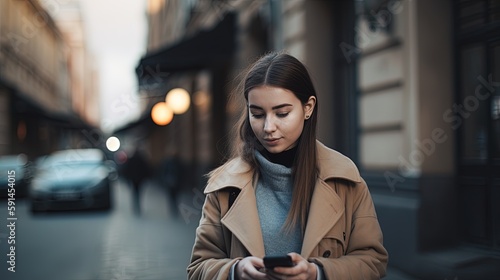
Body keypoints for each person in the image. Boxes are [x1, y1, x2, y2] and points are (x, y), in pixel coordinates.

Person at [187, 52, 388, 279]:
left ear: (308, 108)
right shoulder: (225, 185)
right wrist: (235, 270)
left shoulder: (344, 178)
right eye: (257, 114)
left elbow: (373, 261)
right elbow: (198, 268)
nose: (268, 127)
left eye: (282, 113)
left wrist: (317, 272)